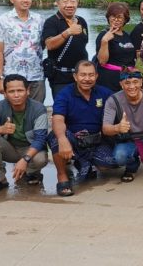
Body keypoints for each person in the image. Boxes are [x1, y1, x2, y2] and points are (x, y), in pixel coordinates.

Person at [47, 61, 117, 197]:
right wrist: (62, 139)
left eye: (91, 75)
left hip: (97, 140)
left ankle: (84, 163)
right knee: (56, 137)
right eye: (83, 75)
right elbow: (58, 119)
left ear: (96, 76)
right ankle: (62, 177)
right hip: (73, 139)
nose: (87, 79)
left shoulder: (104, 92)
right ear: (75, 76)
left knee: (110, 163)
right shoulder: (64, 94)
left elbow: (125, 97)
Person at [0, 74, 49, 195]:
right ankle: (0, 180)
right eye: (11, 91)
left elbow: (40, 139)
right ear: (5, 93)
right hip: (10, 149)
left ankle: (31, 173)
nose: (16, 95)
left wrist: (25, 160)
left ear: (28, 91)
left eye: (20, 90)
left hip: (30, 149)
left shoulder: (38, 109)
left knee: (41, 158)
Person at [0, 0, 46, 103]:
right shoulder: (2, 20)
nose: (25, 0)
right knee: (13, 114)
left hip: (36, 75)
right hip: (12, 76)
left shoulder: (40, 20)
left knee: (36, 113)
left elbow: (44, 44)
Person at [41, 0, 89, 97]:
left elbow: (84, 44)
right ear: (57, 3)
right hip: (60, 77)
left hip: (81, 76)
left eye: (73, 1)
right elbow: (49, 45)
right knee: (63, 109)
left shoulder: (81, 21)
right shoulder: (51, 22)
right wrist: (67, 32)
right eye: (65, 2)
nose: (69, 5)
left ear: (77, 2)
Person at [96, 2, 136, 92]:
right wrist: (104, 41)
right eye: (113, 16)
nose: (116, 19)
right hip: (109, 81)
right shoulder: (103, 35)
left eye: (120, 17)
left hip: (127, 80)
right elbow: (102, 61)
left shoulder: (127, 36)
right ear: (108, 17)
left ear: (125, 19)